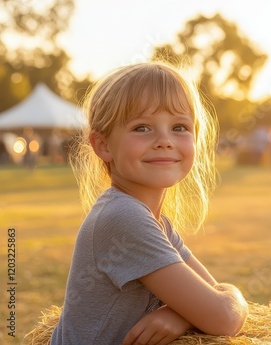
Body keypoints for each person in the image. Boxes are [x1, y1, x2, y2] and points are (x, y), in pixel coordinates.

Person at [51, 62, 248, 345]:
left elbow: (216, 296)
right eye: (142, 128)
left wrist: (179, 315)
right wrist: (194, 311)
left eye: (179, 127)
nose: (164, 140)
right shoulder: (122, 217)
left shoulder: (157, 222)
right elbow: (224, 317)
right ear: (103, 145)